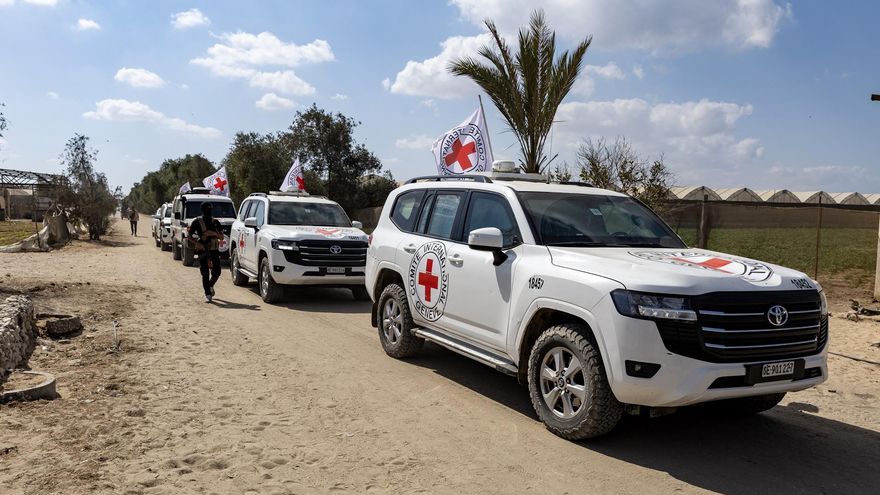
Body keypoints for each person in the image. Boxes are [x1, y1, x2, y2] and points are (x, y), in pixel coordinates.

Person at [188, 202, 223, 302]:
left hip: (214, 250)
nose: (208, 212)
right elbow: (189, 236)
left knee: (217, 271)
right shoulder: (197, 222)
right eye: (206, 210)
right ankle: (208, 293)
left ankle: (210, 285)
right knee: (205, 272)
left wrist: (213, 233)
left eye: (210, 210)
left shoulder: (215, 222)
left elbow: (221, 237)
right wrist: (197, 244)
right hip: (203, 249)